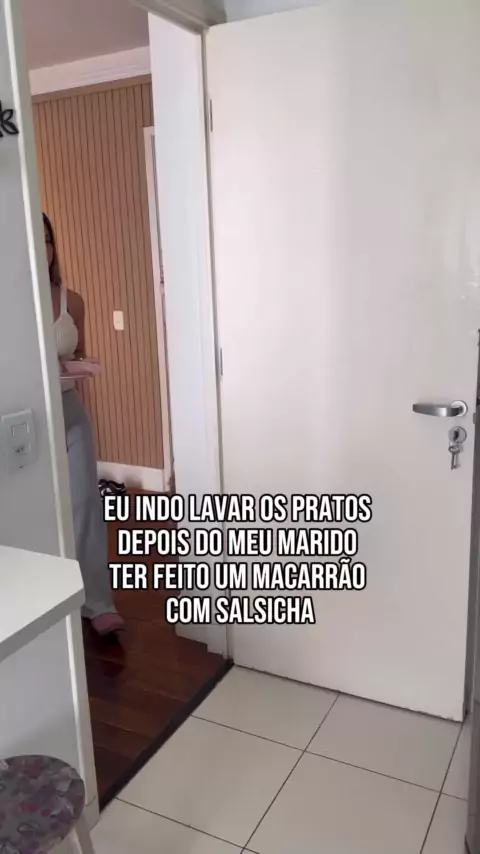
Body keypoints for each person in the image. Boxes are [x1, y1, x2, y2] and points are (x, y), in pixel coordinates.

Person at [44, 213, 125, 636]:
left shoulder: (71, 301)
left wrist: (76, 365)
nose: (42, 247)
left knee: (85, 503)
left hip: (70, 408)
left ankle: (97, 602)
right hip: (29, 417)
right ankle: (51, 598)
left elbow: (80, 353)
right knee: (40, 509)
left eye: (47, 240)